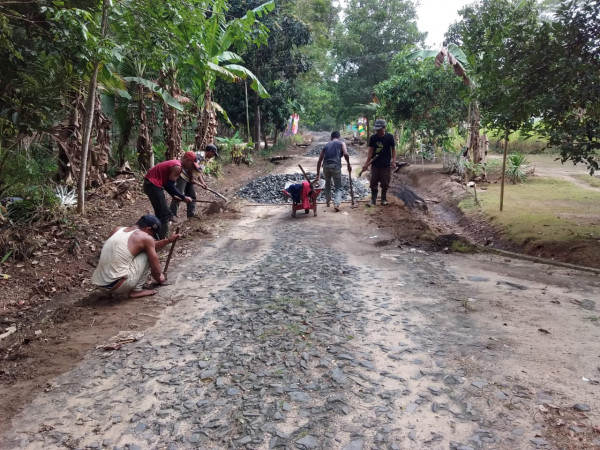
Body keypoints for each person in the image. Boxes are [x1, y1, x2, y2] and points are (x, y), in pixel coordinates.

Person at [91, 215, 180, 298]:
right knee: (147, 254)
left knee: (145, 249)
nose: (151, 238)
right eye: (152, 235)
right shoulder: (145, 238)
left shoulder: (117, 230)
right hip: (118, 286)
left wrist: (168, 240)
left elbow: (148, 244)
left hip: (101, 284)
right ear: (148, 229)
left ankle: (115, 286)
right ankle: (137, 290)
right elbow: (156, 271)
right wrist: (160, 277)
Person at [143, 151, 199, 239]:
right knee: (165, 214)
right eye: (192, 164)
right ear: (187, 160)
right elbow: (170, 185)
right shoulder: (177, 167)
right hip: (152, 185)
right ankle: (163, 239)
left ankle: (155, 236)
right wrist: (183, 197)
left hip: (151, 185)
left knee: (160, 212)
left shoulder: (176, 164)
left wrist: (173, 195)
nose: (191, 167)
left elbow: (167, 184)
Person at [170, 144, 220, 219]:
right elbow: (190, 166)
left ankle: (191, 215)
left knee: (192, 196)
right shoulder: (198, 156)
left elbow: (198, 172)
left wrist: (203, 183)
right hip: (183, 176)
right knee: (178, 195)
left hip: (189, 178)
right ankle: (171, 215)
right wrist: (191, 178)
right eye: (214, 154)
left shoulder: (204, 160)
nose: (213, 156)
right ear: (210, 151)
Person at [362, 119, 396, 206]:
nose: (378, 131)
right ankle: (373, 200)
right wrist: (366, 164)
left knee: (385, 183)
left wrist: (393, 161)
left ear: (384, 128)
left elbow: (393, 150)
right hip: (375, 165)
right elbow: (370, 152)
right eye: (377, 130)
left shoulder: (389, 137)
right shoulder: (373, 138)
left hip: (385, 165)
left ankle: (383, 199)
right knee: (373, 182)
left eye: (380, 129)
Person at [315, 131, 351, 212]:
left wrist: (317, 174)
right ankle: (337, 204)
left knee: (327, 184)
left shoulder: (326, 145)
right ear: (339, 137)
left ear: (331, 138)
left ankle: (327, 202)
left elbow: (319, 160)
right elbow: (345, 154)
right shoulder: (342, 143)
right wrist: (348, 164)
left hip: (326, 166)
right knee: (338, 187)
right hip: (336, 166)